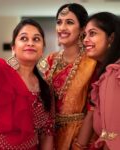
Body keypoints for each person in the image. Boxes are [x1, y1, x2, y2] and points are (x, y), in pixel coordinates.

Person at [0, 18, 54, 150]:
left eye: (36, 39)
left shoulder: (46, 88)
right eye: (24, 38)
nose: (30, 43)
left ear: (42, 49)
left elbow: (46, 133)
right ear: (13, 48)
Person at [37, 3, 96, 150]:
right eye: (59, 22)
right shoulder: (50, 59)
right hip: (48, 136)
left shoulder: (92, 64)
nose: (62, 28)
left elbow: (92, 111)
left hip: (78, 136)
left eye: (69, 22)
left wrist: (79, 145)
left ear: (83, 29)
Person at [83, 12, 120, 150]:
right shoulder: (106, 73)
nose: (85, 40)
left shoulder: (114, 73)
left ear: (111, 38)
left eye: (92, 33)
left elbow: (114, 136)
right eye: (85, 35)